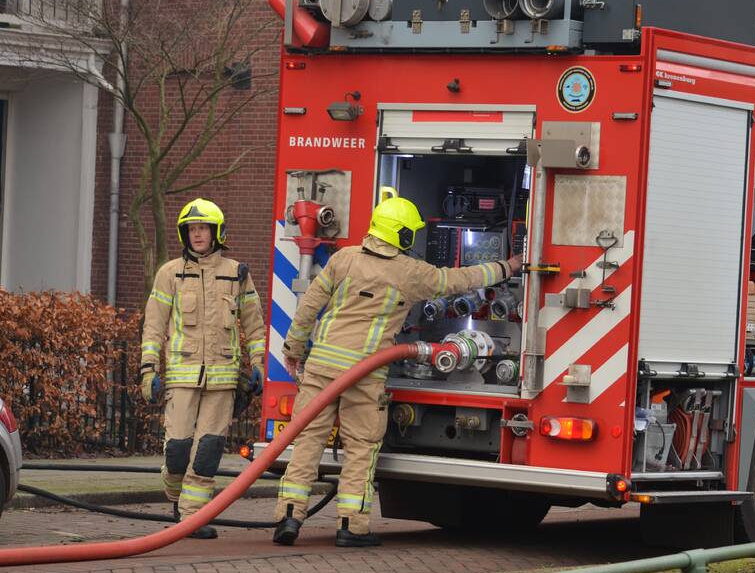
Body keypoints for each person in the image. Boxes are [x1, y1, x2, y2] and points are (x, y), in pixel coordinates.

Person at [272, 194, 522, 547]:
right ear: (402, 236)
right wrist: (507, 266)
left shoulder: (343, 259)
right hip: (364, 374)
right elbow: (460, 279)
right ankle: (350, 526)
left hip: (321, 368)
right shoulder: (409, 272)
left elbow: (309, 305)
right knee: (361, 447)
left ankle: (288, 518)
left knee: (306, 443)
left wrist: (293, 349)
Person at [140, 198, 266, 539]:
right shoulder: (170, 273)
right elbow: (153, 326)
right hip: (182, 376)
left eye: (203, 228)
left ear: (216, 232)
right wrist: (148, 370)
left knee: (208, 450)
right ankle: (175, 494)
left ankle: (192, 516)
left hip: (223, 380)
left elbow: (254, 325)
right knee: (178, 449)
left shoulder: (237, 273)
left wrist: (258, 364)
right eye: (192, 229)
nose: (197, 235)